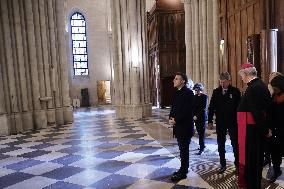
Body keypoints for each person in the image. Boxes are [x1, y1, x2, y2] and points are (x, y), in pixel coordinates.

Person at [237, 63, 272, 189]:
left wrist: (264, 130)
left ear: (246, 74)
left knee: (252, 162)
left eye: (242, 75)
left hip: (251, 132)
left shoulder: (254, 88)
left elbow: (257, 113)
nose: (242, 78)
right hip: (250, 130)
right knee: (252, 162)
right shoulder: (257, 86)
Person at [207, 72, 241, 174]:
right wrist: (209, 121)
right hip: (220, 122)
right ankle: (223, 164)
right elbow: (211, 107)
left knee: (235, 144)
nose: (222, 84)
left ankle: (237, 164)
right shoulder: (216, 92)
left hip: (233, 122)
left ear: (229, 81)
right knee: (220, 143)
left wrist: (240, 121)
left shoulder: (235, 91)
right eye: (220, 82)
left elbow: (239, 107)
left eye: (224, 82)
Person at [169, 72, 194, 181]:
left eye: (176, 79)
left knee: (184, 150)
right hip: (178, 126)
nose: (174, 80)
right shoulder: (177, 93)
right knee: (182, 150)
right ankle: (183, 168)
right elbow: (173, 108)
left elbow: (188, 111)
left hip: (185, 127)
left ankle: (183, 172)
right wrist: (170, 118)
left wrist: (176, 119)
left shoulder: (188, 93)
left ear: (183, 81)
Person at [268, 75, 284, 183]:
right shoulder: (273, 96)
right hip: (275, 130)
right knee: (275, 153)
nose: (273, 89)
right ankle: (277, 171)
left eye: (275, 87)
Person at [193, 83, 208, 155]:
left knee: (201, 133)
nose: (196, 91)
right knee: (199, 132)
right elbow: (193, 107)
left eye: (197, 90)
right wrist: (193, 115)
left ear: (200, 89)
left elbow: (203, 108)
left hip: (201, 117)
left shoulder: (204, 97)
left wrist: (197, 116)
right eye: (196, 90)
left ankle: (202, 148)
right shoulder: (195, 97)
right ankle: (202, 145)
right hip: (196, 117)